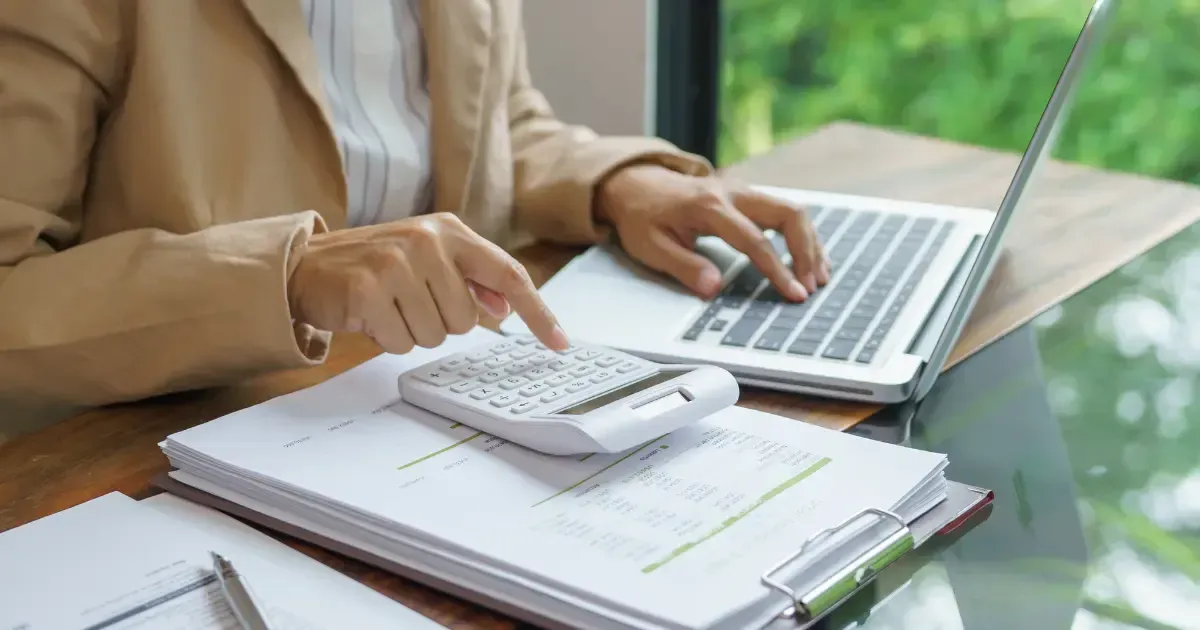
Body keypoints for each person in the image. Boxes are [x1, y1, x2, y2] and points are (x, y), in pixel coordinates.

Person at [0, 0, 828, 417]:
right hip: (170, 439)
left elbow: (496, 124)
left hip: (418, 405)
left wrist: (616, 183)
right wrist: (285, 276)